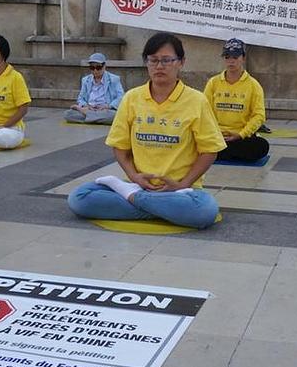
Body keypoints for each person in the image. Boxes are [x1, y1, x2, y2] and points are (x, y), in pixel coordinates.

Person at [67, 32, 226, 229]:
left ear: (181, 62)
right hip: (138, 184)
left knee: (204, 210)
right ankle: (157, 207)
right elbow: (120, 147)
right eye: (153, 60)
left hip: (181, 191)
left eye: (167, 60)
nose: (159, 66)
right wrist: (134, 177)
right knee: (79, 197)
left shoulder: (196, 100)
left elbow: (210, 150)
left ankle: (133, 199)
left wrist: (183, 184)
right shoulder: (132, 98)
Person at [203, 38, 269, 162]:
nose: (231, 61)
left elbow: (259, 116)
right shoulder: (213, 83)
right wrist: (215, 132)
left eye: (235, 57)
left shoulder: (253, 85)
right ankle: (222, 151)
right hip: (216, 135)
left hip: (241, 137)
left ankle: (218, 153)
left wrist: (240, 134)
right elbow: (204, 111)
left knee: (261, 146)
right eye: (227, 57)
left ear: (243, 58)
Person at [64, 52, 124, 124]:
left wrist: (108, 106)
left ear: (104, 66)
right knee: (68, 114)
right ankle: (95, 118)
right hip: (90, 108)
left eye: (98, 67)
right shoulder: (86, 80)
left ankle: (87, 116)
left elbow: (121, 97)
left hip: (105, 109)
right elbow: (81, 98)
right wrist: (86, 106)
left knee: (114, 115)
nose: (95, 70)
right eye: (92, 68)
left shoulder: (114, 79)